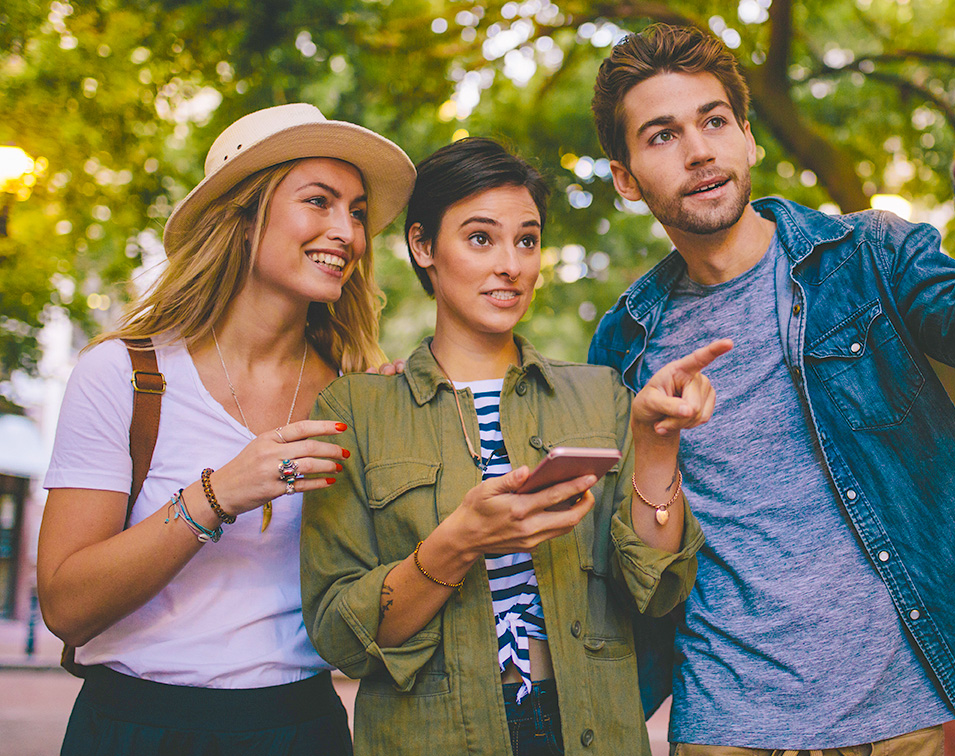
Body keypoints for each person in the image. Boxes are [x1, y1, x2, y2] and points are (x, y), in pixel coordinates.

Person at [586, 25, 955, 755]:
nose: (698, 151)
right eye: (661, 136)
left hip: (896, 723)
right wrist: (651, 440)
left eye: (714, 121)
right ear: (626, 178)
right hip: (728, 728)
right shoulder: (625, 345)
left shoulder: (867, 256)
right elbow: (643, 575)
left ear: (749, 139)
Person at [300, 137, 727, 756]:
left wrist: (655, 444)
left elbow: (657, 590)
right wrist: (458, 541)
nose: (511, 264)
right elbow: (340, 632)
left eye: (527, 240)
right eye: (480, 238)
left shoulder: (600, 395)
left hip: (593, 728)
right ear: (423, 246)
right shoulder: (357, 411)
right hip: (434, 736)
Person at [37, 103, 416, 755]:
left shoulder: (359, 392)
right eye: (319, 201)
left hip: (299, 727)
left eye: (355, 212)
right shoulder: (125, 374)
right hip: (132, 725)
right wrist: (218, 495)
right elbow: (66, 606)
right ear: (242, 219)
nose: (347, 233)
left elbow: (376, 607)